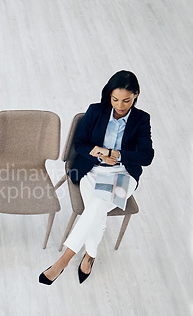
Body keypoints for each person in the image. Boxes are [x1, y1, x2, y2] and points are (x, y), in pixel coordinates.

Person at [39, 70, 154, 285]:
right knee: (96, 210)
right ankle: (90, 256)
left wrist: (116, 155)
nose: (120, 106)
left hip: (123, 174)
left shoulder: (141, 120)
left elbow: (147, 156)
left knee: (98, 204)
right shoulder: (95, 111)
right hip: (92, 170)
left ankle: (63, 261)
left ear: (136, 95)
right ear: (109, 95)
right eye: (115, 99)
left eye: (126, 100)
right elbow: (79, 144)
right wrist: (99, 152)